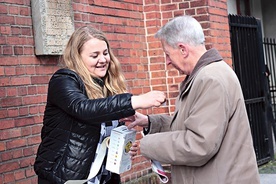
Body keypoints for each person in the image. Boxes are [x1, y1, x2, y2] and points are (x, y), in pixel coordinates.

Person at [126, 15, 260, 184]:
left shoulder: (210, 79)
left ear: (183, 49)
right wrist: (150, 122)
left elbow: (199, 144)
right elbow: (192, 126)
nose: (167, 61)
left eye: (167, 54)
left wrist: (147, 144)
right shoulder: (207, 75)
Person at [34, 26, 166, 184]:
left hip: (103, 178)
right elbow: (84, 108)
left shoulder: (108, 86)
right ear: (77, 58)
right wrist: (134, 101)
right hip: (66, 179)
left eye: (105, 53)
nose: (103, 60)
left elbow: (100, 138)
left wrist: (122, 149)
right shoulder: (63, 80)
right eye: (94, 55)